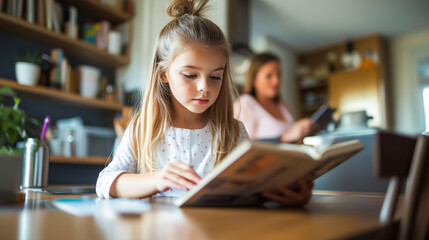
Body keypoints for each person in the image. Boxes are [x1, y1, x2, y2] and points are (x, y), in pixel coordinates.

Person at [96, 0, 313, 206]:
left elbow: (252, 192)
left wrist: (289, 196)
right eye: (190, 75)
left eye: (215, 76)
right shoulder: (143, 129)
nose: (205, 87)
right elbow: (105, 182)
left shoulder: (234, 132)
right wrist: (156, 179)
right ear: (163, 73)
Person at [234, 53, 313, 143]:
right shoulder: (245, 104)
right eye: (269, 76)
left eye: (279, 75)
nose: (276, 81)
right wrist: (283, 138)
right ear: (254, 79)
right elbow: (241, 145)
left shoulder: (285, 106)